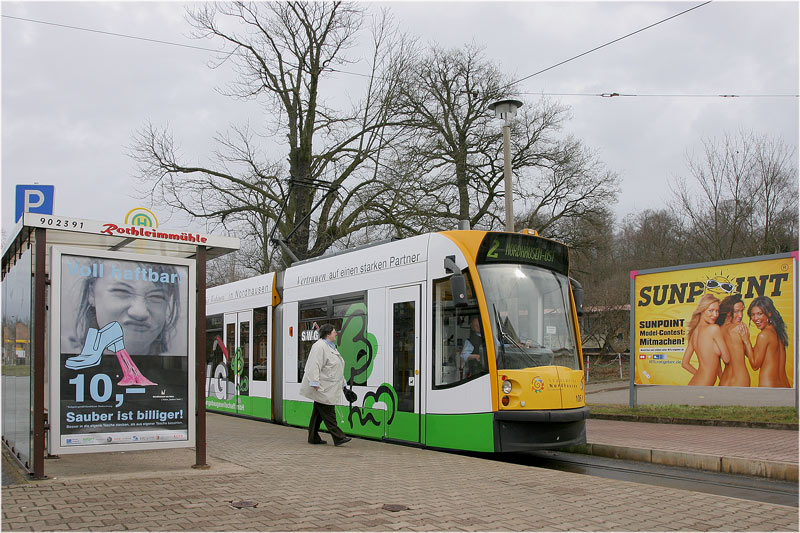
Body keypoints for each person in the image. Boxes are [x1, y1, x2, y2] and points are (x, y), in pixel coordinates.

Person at [69, 259, 182, 356]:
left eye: (156, 296)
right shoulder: (62, 365)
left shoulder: (182, 371)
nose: (140, 312)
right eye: (122, 291)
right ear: (91, 294)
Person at [299, 324, 351, 446]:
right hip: (322, 387)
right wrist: (314, 382)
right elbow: (314, 365)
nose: (336, 333)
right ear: (328, 334)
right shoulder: (319, 346)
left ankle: (313, 437)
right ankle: (339, 437)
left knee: (318, 413)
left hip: (328, 386)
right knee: (329, 412)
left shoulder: (331, 347)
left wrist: (343, 384)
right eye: (334, 332)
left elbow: (336, 368)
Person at [681, 294, 731, 386]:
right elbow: (727, 359)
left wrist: (699, 375)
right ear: (702, 310)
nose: (715, 315)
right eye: (711, 311)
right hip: (703, 384)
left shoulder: (694, 333)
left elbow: (684, 363)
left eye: (717, 311)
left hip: (694, 383)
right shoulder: (714, 329)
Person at [747, 296, 791, 388]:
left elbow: (755, 365)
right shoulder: (779, 334)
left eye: (760, 314)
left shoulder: (764, 335)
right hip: (785, 387)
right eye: (753, 315)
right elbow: (757, 354)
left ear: (769, 313)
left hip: (768, 387)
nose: (755, 318)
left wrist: (745, 341)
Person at [715, 294, 753, 387]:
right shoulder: (739, 329)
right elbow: (754, 362)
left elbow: (716, 363)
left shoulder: (716, 330)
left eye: (742, 311)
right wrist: (746, 341)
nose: (740, 315)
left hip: (724, 380)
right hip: (740, 380)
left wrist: (721, 377)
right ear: (728, 312)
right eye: (736, 311)